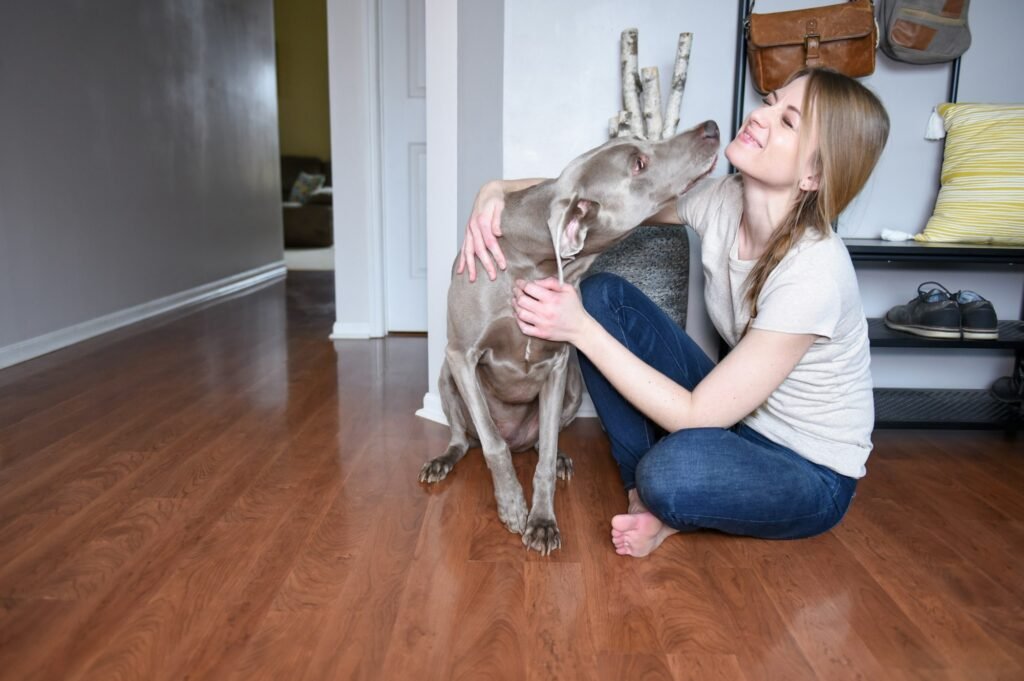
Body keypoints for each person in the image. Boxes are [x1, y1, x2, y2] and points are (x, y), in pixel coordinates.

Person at [458, 67, 890, 557]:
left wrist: (578, 330)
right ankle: (648, 498)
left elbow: (694, 414)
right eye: (770, 100)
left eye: (787, 121)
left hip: (808, 472)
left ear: (813, 174)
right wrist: (494, 190)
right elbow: (606, 197)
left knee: (670, 471)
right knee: (601, 296)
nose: (760, 116)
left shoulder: (814, 273)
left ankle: (662, 499)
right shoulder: (724, 200)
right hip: (740, 417)